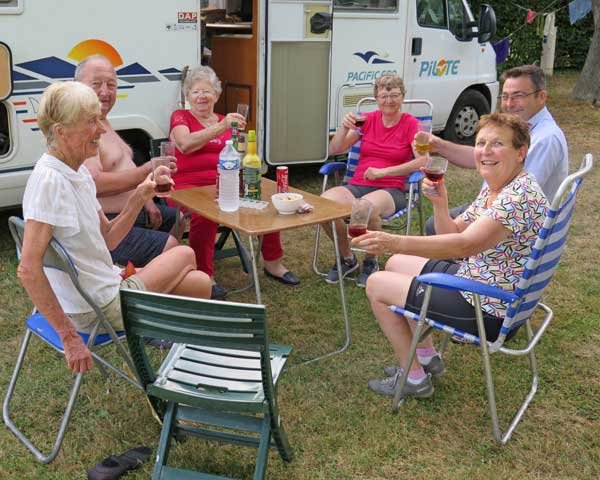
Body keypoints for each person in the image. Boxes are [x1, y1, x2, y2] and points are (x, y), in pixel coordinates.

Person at [17, 81, 211, 374]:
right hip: (94, 309)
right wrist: (69, 338)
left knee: (200, 284)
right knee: (183, 255)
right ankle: (174, 356)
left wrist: (140, 196)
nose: (102, 130)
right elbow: (28, 269)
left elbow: (108, 240)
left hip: (104, 284)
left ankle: (179, 360)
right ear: (61, 132)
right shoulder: (50, 182)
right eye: (91, 122)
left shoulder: (76, 172)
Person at [353, 113, 547, 399]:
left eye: (497, 144)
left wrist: (393, 241)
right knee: (395, 264)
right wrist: (440, 205)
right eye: (481, 143)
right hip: (483, 282)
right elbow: (452, 232)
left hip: (489, 307)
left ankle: (414, 378)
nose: (485, 151)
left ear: (521, 152)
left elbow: (462, 247)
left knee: (377, 284)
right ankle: (427, 355)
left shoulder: (515, 199)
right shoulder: (501, 187)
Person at [168, 65, 299, 300]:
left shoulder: (226, 121)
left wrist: (243, 145)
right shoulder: (182, 117)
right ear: (187, 96)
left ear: (216, 96)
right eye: (196, 91)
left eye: (207, 92)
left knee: (269, 201)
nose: (201, 97)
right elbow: (185, 144)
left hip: (226, 183)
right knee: (204, 215)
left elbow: (239, 155)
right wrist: (223, 126)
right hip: (188, 188)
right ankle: (204, 274)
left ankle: (273, 262)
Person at [425, 64, 567, 234]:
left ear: (541, 97)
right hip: (494, 208)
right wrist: (439, 145)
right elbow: (486, 157)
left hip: (512, 226)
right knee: (436, 225)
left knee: (435, 228)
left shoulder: (545, 139)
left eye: (518, 96)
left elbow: (517, 196)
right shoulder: (523, 129)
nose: (508, 104)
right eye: (505, 96)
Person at [75, 54, 181, 266]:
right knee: (172, 247)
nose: (105, 92)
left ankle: (153, 276)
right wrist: (147, 170)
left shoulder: (102, 121)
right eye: (96, 84)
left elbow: (123, 165)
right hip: (107, 223)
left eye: (111, 85)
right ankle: (154, 280)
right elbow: (94, 183)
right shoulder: (83, 126)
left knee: (176, 217)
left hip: (133, 211)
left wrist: (148, 201)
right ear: (78, 86)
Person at [323, 74, 425, 287]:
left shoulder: (411, 125)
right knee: (324, 206)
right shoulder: (367, 120)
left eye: (394, 95)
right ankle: (346, 258)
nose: (389, 100)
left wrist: (384, 172)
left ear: (402, 97)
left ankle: (371, 260)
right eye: (384, 95)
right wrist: (344, 127)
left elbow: (423, 160)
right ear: (376, 98)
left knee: (365, 208)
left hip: (391, 188)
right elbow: (335, 149)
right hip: (358, 184)